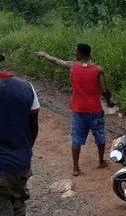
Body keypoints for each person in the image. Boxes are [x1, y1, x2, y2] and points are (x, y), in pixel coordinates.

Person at [36, 44, 115, 176]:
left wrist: (44, 55)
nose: (75, 53)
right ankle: (101, 161)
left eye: (76, 51)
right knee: (99, 135)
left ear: (81, 54)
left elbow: (56, 61)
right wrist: (109, 102)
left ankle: (75, 168)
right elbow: (105, 90)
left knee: (76, 138)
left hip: (78, 109)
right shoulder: (98, 70)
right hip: (94, 109)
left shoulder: (72, 66)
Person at [0, 54, 40, 216]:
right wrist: (26, 150)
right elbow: (33, 123)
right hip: (20, 161)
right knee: (17, 201)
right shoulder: (26, 86)